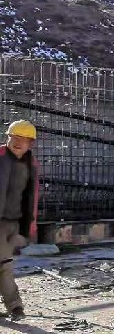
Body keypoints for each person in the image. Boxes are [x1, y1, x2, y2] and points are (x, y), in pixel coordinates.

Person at [0, 120, 39, 321]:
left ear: (30, 143)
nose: (18, 142)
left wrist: (29, 226)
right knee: (4, 263)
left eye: (23, 139)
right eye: (14, 137)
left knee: (3, 263)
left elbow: (32, 195)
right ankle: (15, 307)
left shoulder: (30, 163)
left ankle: (15, 307)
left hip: (13, 223)